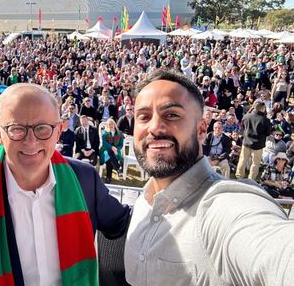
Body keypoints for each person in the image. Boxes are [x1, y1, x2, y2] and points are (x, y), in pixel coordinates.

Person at [0, 83, 130, 285]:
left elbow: (123, 226)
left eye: (43, 128)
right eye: (17, 129)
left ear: (58, 130)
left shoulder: (85, 179)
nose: (31, 141)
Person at [124, 68, 294, 286]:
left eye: (172, 115)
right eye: (144, 117)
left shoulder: (222, 206)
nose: (155, 127)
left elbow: (274, 251)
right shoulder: (143, 203)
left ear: (202, 129)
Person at [235, 101, 272, 179]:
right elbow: (268, 133)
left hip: (246, 142)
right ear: (263, 108)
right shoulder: (265, 120)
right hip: (258, 145)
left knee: (242, 160)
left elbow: (243, 129)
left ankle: (239, 176)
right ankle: (251, 179)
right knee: (255, 163)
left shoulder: (246, 116)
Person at [100, 118, 124, 183]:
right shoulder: (105, 133)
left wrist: (116, 149)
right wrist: (112, 147)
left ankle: (108, 177)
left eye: (112, 123)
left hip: (116, 151)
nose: (111, 125)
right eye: (109, 124)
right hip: (105, 150)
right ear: (107, 125)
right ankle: (117, 167)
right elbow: (104, 143)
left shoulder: (119, 133)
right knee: (109, 154)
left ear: (114, 124)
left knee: (109, 160)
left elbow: (121, 144)